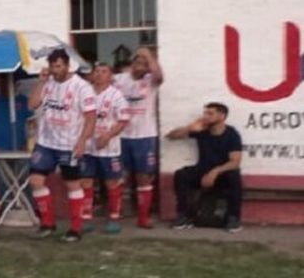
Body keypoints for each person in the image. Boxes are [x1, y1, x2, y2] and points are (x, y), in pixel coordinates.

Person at [28, 51, 97, 242]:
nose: (54, 70)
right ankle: (47, 223)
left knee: (72, 183)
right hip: (46, 142)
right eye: (52, 66)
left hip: (69, 143)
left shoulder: (82, 87)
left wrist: (83, 140)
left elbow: (91, 117)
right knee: (35, 180)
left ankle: (76, 228)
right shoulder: (48, 83)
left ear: (67, 65)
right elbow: (33, 104)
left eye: (58, 66)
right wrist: (41, 82)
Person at [166, 103, 244, 232]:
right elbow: (171, 136)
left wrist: (215, 172)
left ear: (222, 116)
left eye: (210, 113)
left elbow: (235, 161)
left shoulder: (232, 134)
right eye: (205, 113)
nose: (206, 116)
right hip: (203, 170)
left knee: (234, 176)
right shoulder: (202, 130)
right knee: (181, 175)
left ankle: (233, 218)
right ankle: (183, 216)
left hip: (222, 173)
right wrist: (189, 128)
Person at [79, 62, 133, 235]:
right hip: (88, 146)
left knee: (112, 182)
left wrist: (107, 136)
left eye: (104, 71)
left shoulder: (116, 96)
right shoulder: (85, 93)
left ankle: (114, 217)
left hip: (109, 148)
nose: (100, 74)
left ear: (111, 76)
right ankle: (86, 217)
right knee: (86, 181)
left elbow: (123, 119)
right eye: (97, 71)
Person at [114, 46, 164, 228]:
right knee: (119, 175)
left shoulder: (151, 80)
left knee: (144, 176)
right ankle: (117, 213)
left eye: (144, 64)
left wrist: (148, 56)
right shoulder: (120, 79)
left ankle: (143, 218)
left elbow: (159, 76)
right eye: (137, 62)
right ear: (132, 63)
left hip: (144, 136)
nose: (140, 66)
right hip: (121, 135)